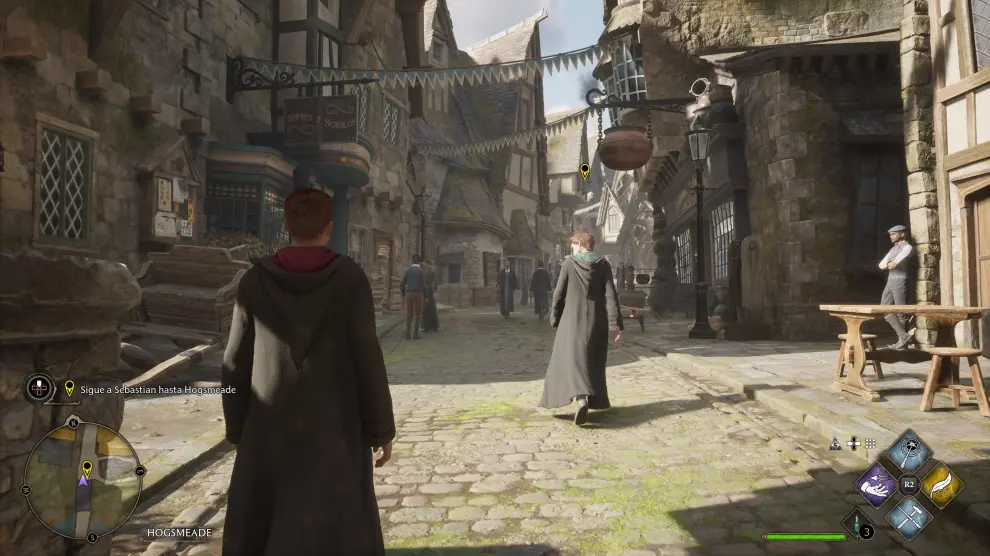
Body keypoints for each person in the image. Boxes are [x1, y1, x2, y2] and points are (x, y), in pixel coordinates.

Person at [220, 187, 395, 555]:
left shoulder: (254, 282)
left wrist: (237, 429)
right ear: (328, 228)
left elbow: (234, 362)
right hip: (335, 431)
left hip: (269, 430)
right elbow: (367, 357)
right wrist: (380, 429)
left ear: (287, 226)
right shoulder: (350, 280)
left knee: (266, 526)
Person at [539, 232, 623, 426]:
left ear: (581, 244)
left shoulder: (569, 264)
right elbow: (611, 296)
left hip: (571, 321)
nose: (572, 249)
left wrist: (554, 317)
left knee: (569, 360)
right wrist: (614, 325)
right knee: (591, 361)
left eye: (574, 245)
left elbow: (559, 293)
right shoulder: (603, 264)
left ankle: (580, 399)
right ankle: (589, 398)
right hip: (597, 321)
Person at [879, 224, 916, 349]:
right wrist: (890, 264)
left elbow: (894, 264)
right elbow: (881, 265)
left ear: (902, 234)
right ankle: (903, 336)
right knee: (884, 308)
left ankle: (902, 343)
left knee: (901, 311)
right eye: (890, 234)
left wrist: (890, 263)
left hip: (900, 280)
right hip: (890, 280)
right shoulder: (893, 249)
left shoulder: (907, 247)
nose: (891, 236)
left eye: (894, 234)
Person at [400, 255, 426, 340]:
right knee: (418, 315)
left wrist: (404, 293)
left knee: (409, 314)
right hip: (418, 293)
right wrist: (426, 296)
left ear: (412, 260)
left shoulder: (408, 270)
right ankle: (415, 334)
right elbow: (423, 285)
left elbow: (402, 284)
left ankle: (408, 334)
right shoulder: (421, 271)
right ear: (419, 261)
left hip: (409, 293)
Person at [421, 260, 440, 332]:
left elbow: (436, 281)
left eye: (425, 264)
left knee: (432, 309)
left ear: (428, 265)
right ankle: (426, 326)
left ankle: (434, 326)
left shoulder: (432, 272)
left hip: (430, 291)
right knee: (425, 309)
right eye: (423, 264)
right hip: (424, 292)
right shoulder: (422, 272)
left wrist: (435, 291)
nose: (424, 265)